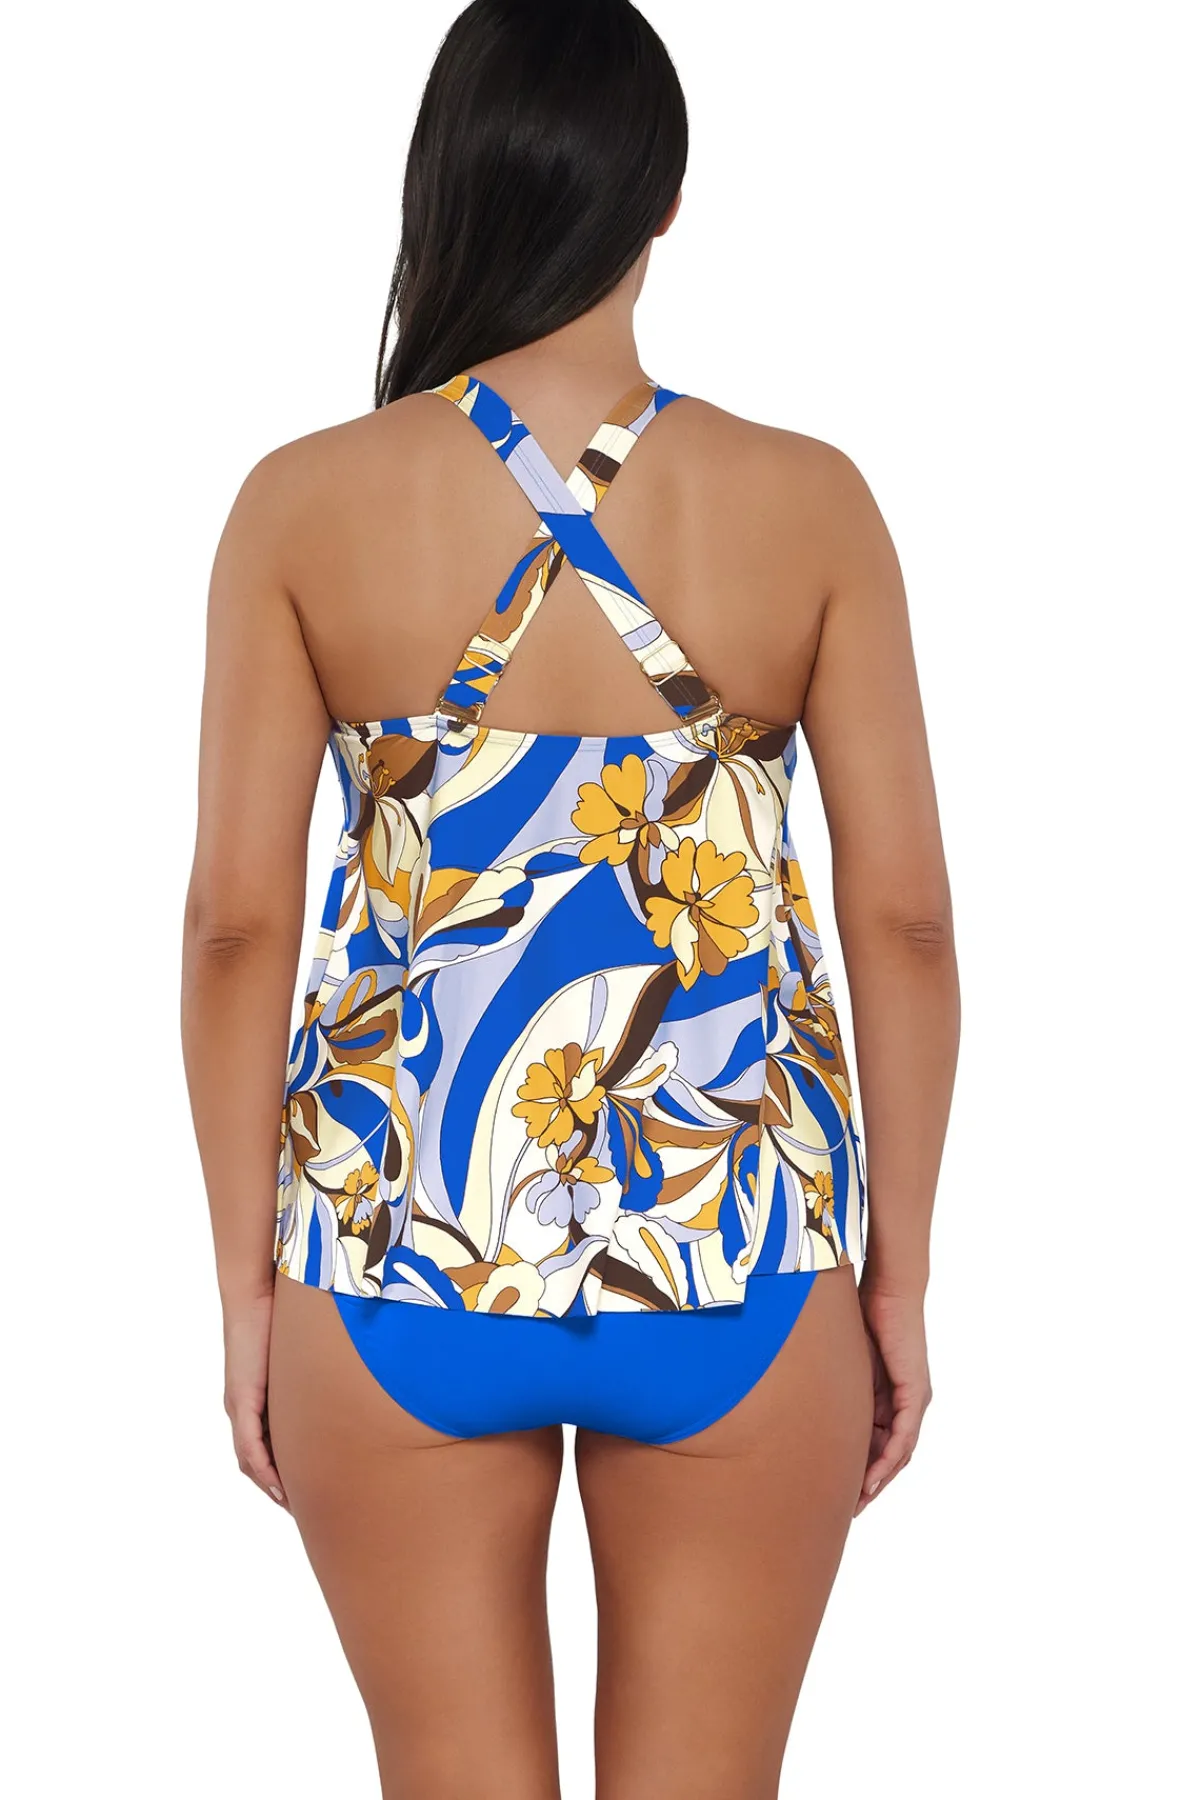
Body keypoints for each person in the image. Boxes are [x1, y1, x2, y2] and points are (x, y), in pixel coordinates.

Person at [181, 2, 959, 1794]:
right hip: (740, 1251)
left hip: (393, 1252)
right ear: (664, 198)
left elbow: (235, 926)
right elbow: (908, 922)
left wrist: (247, 1291)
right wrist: (899, 1279)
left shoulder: (300, 505)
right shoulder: (811, 503)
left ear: (445, 183)